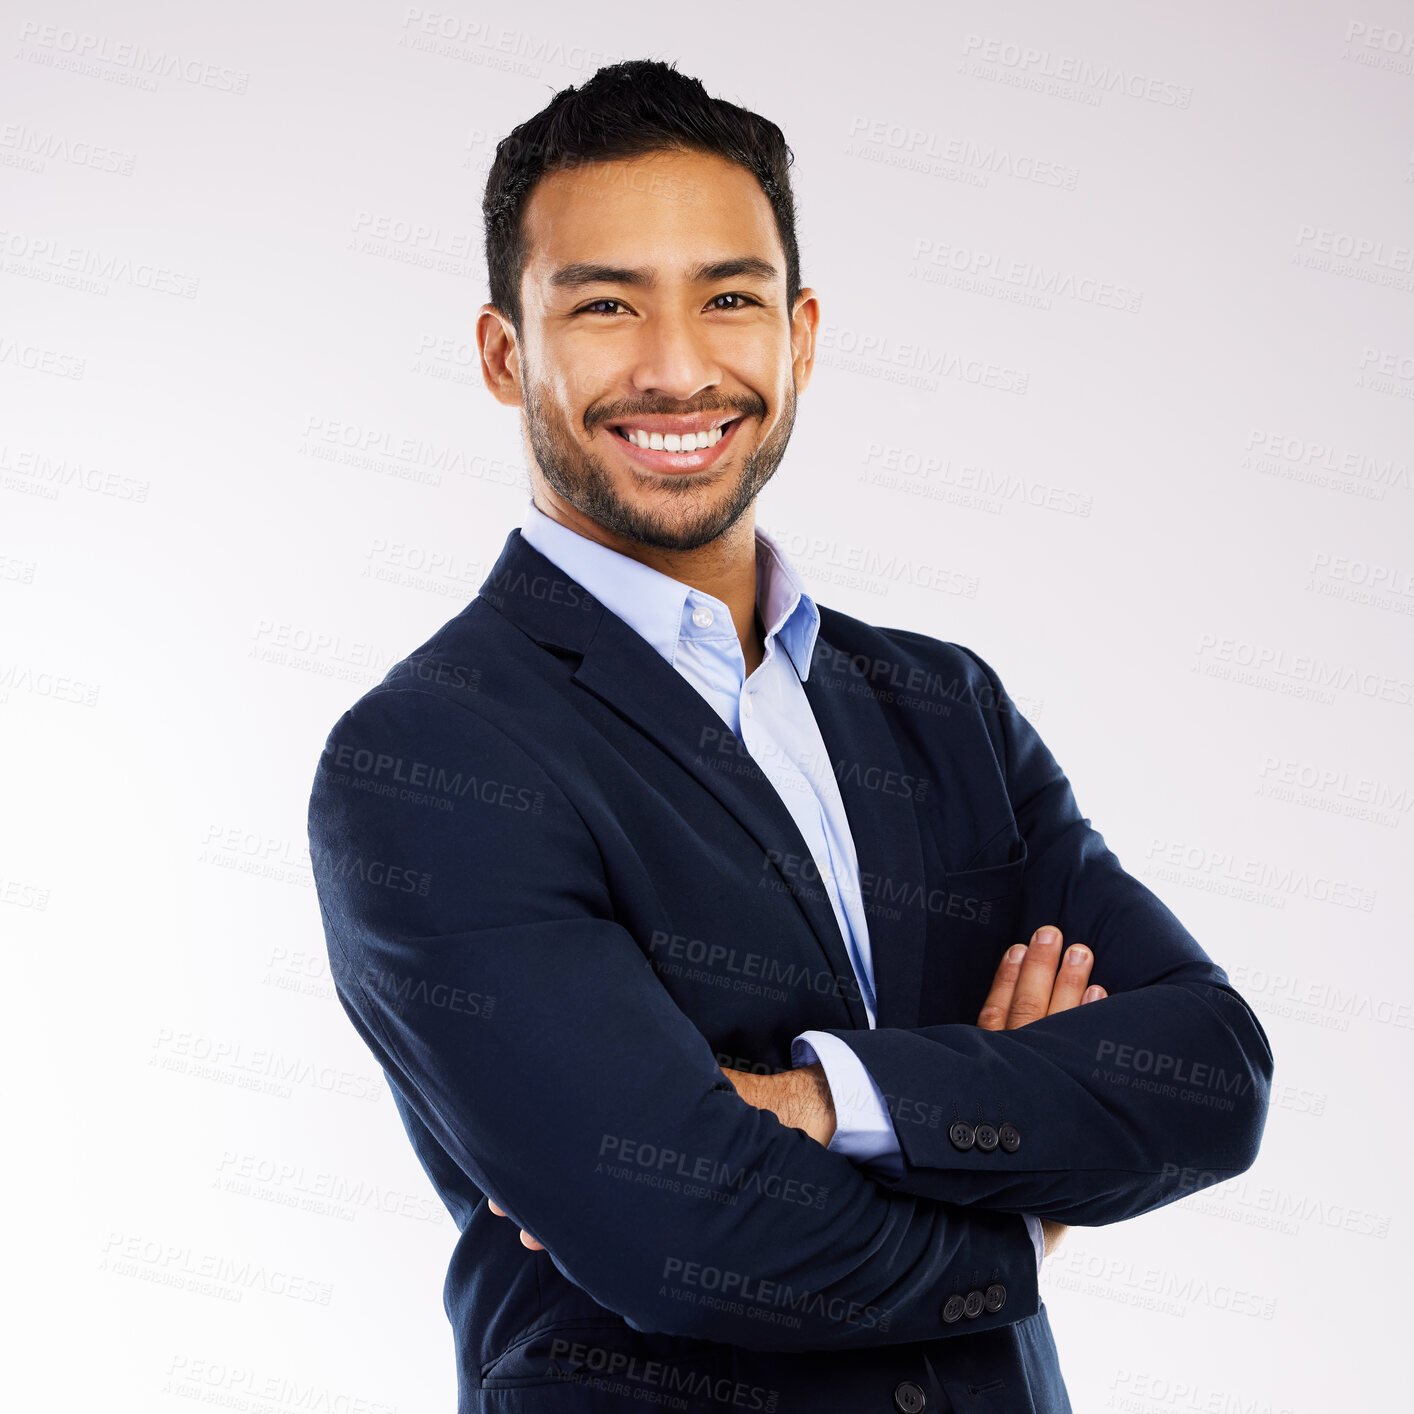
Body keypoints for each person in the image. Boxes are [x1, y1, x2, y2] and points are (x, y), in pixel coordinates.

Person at [307, 59, 1273, 1414]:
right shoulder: (430, 756)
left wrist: (818, 1100)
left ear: (801, 334)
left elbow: (1209, 1076)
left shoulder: (944, 706)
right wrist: (1024, 1211)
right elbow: (686, 1232)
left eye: (729, 298)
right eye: (603, 305)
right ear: (503, 352)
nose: (677, 367)